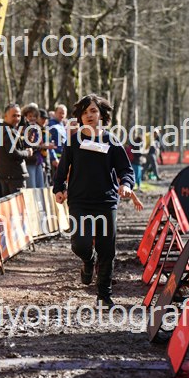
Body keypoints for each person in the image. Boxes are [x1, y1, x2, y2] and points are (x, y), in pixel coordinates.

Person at [54, 94, 135, 308]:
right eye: (84, 112)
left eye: (93, 111)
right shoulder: (73, 141)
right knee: (80, 244)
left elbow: (126, 170)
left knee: (106, 249)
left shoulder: (111, 140)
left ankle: (104, 296)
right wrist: (59, 188)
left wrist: (126, 184)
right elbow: (62, 170)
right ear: (80, 117)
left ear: (101, 114)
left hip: (106, 202)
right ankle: (88, 260)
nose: (89, 115)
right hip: (79, 201)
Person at [0, 103, 33, 195]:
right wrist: (28, 153)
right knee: (19, 204)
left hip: (10, 175)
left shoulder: (5, 129)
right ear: (5, 116)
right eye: (13, 116)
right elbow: (13, 153)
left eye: (18, 116)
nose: (17, 118)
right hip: (14, 177)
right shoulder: (7, 131)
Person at [48, 104, 68, 177]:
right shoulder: (51, 125)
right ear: (55, 113)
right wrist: (53, 158)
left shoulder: (62, 125)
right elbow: (49, 142)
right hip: (55, 159)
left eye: (63, 113)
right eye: (60, 113)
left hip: (63, 157)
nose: (62, 115)